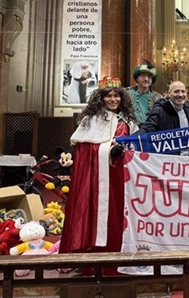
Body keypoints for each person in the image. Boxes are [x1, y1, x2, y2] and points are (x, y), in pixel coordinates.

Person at [59, 77, 138, 275]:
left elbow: (135, 146)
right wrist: (108, 151)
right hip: (99, 180)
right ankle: (94, 259)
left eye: (116, 95)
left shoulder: (127, 121)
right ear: (100, 99)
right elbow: (86, 152)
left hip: (122, 178)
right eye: (108, 96)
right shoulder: (91, 121)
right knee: (99, 216)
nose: (113, 99)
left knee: (120, 216)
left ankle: (120, 256)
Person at [139, 80, 189, 156]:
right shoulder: (159, 110)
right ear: (169, 94)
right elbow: (147, 128)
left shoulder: (188, 108)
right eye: (176, 91)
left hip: (187, 161)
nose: (180, 94)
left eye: (183, 91)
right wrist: (128, 139)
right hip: (169, 161)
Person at [125, 61, 162, 126]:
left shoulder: (158, 97)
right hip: (131, 130)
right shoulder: (126, 94)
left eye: (149, 77)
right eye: (143, 76)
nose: (146, 79)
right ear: (137, 78)